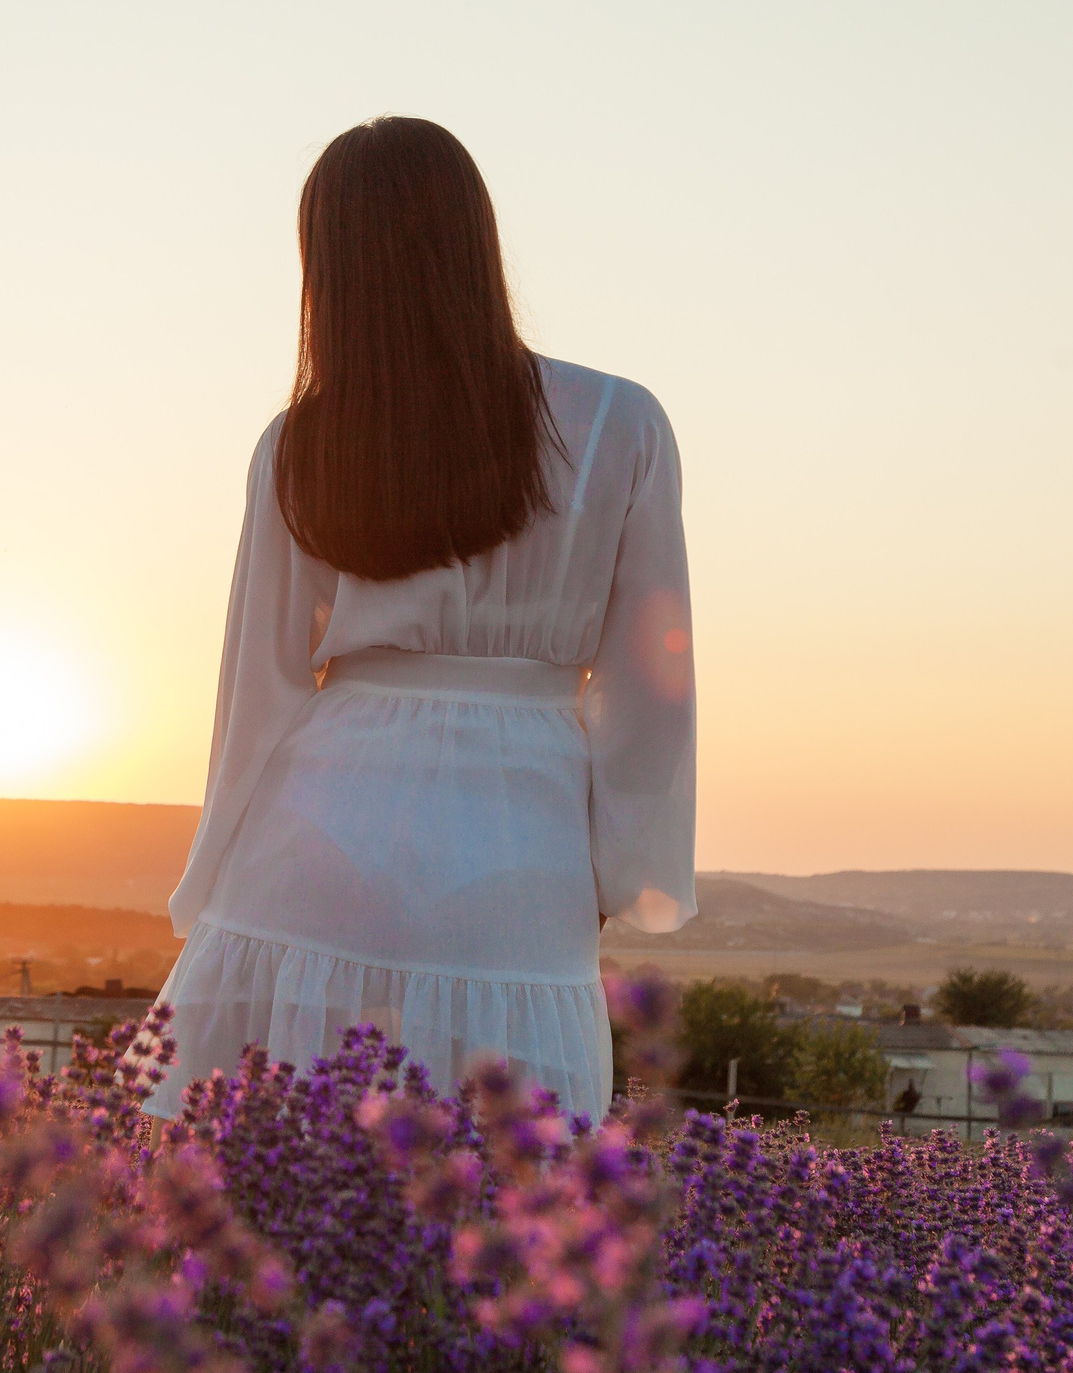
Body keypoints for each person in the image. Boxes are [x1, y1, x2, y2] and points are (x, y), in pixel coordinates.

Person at [145, 117, 696, 1121]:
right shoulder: (621, 420)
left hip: (311, 837)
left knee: (274, 1181)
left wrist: (211, 873)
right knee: (505, 1193)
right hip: (518, 841)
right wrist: (622, 870)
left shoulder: (300, 442)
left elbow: (257, 687)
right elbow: (650, 693)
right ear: (473, 238)